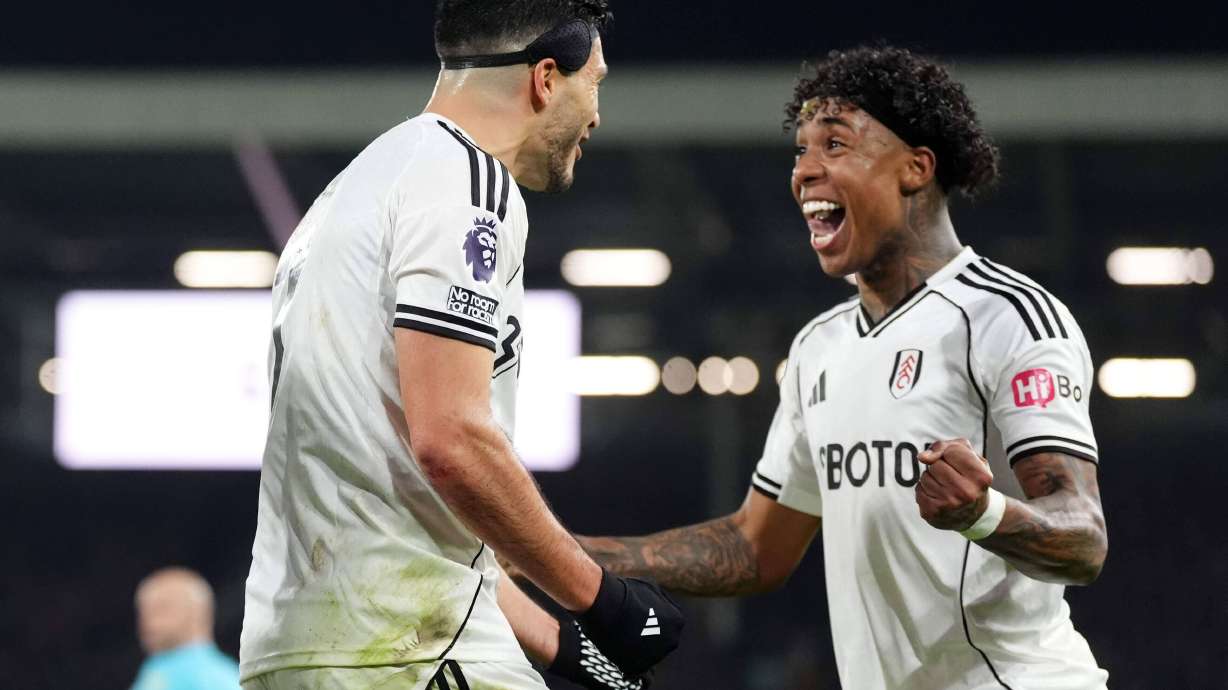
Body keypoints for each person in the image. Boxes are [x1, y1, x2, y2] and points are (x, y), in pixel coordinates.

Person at [575, 46, 1109, 690]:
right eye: (800, 150)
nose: (804, 172)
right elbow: (755, 548)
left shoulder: (1008, 318)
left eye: (834, 144)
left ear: (915, 168)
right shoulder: (817, 348)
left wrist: (983, 514)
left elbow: (1083, 538)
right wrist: (558, 551)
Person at [239, 2, 682, 690]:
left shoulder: (349, 193)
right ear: (544, 79)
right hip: (408, 655)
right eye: (593, 84)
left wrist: (573, 649)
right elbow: (451, 443)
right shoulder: (469, 184)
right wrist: (605, 601)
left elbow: (417, 519)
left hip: (311, 650)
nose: (596, 115)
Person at [131, 567, 241, 690]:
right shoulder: (155, 666)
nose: (150, 622)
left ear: (197, 612)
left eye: (162, 609)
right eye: (144, 612)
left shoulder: (214, 677)